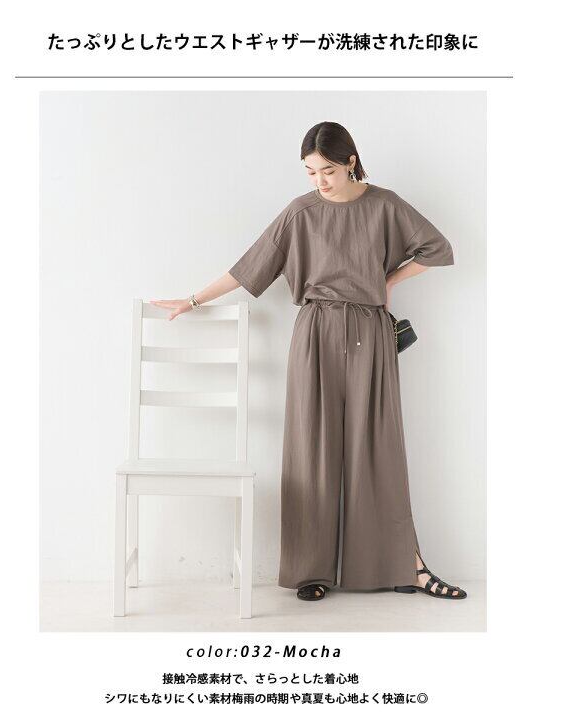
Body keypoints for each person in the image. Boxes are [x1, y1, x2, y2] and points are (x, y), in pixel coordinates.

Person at [150, 121, 467, 602]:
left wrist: (388, 282)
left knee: (378, 448)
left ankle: (406, 565)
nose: (320, 181)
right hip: (316, 332)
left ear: (351, 161)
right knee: (311, 449)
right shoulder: (300, 212)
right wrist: (193, 300)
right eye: (311, 171)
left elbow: (438, 249)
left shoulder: (385, 205)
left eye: (328, 171)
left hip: (370, 332)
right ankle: (309, 570)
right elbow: (249, 266)